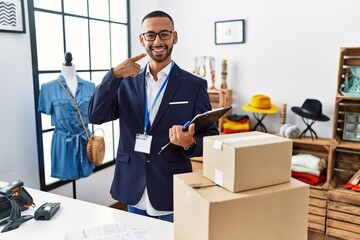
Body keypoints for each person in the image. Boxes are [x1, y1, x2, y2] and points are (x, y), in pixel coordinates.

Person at [88, 10, 219, 222]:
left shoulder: (194, 85)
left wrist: (189, 143)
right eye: (151, 35)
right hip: (132, 184)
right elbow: (95, 115)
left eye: (164, 34)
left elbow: (212, 136)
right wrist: (113, 75)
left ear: (174, 37)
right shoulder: (125, 81)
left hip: (171, 187)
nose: (158, 41)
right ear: (142, 39)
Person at [38, 53, 96, 181]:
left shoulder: (90, 86)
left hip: (85, 140)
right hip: (63, 142)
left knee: (85, 172)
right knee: (66, 175)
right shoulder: (48, 88)